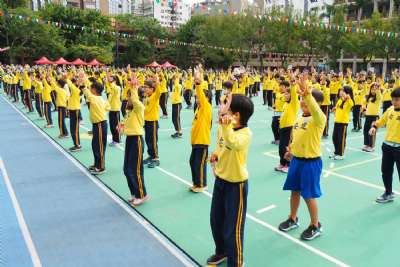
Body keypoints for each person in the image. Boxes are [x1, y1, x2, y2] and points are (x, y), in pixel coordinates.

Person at [207, 94, 254, 267]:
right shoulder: (225, 127)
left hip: (236, 186)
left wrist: (225, 125)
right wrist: (216, 154)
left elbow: (233, 143)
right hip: (220, 181)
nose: (222, 109)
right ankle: (222, 252)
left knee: (232, 229)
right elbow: (222, 145)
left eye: (227, 108)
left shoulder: (245, 134)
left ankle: (235, 262)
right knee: (216, 220)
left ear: (237, 115)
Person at [278, 73, 325, 241]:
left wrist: (307, 94)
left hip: (311, 163)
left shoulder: (319, 119)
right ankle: (293, 218)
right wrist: (291, 152)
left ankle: (315, 225)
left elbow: (315, 110)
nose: (304, 104)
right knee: (295, 191)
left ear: (317, 105)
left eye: (309, 102)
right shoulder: (299, 118)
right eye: (302, 102)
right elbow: (295, 138)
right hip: (297, 161)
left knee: (308, 195)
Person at [119, 85, 149, 206]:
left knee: (135, 170)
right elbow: (125, 120)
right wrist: (121, 125)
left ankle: (142, 195)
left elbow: (136, 101)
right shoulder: (130, 111)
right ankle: (134, 193)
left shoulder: (139, 107)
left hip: (137, 140)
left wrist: (134, 88)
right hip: (130, 140)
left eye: (129, 96)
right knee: (126, 169)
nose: (128, 98)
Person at [370, 88, 400, 203]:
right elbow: (381, 120)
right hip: (387, 146)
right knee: (386, 171)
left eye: (397, 99)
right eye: (393, 99)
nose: (394, 102)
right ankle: (388, 193)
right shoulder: (390, 109)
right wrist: (374, 127)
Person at [190, 66, 212, 193]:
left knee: (199, 163)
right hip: (196, 140)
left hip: (202, 141)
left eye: (198, 97)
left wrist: (198, 83)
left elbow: (201, 95)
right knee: (193, 162)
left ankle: (202, 184)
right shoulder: (199, 109)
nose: (196, 98)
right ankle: (196, 183)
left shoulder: (206, 107)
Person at [82, 77, 110, 174]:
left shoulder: (94, 98)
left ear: (94, 90)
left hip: (100, 124)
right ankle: (96, 164)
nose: (89, 89)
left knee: (100, 146)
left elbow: (86, 92)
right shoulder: (101, 99)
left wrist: (83, 81)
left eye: (91, 88)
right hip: (97, 124)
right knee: (95, 145)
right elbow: (107, 108)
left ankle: (101, 166)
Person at [275, 78, 300, 173]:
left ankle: (289, 165)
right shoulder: (285, 105)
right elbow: (284, 115)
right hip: (282, 128)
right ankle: (282, 163)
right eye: (284, 93)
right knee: (281, 147)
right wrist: (280, 120)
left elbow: (294, 95)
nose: (285, 95)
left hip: (289, 128)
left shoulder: (294, 104)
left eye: (287, 94)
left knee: (287, 147)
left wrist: (293, 85)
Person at [330, 86, 354, 160]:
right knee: (335, 138)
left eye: (343, 91)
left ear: (347, 92)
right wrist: (334, 109)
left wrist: (348, 97)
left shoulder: (349, 101)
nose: (340, 92)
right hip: (337, 121)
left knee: (341, 139)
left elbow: (352, 104)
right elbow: (337, 107)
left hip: (343, 123)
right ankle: (336, 152)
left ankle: (341, 154)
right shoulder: (340, 100)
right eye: (340, 90)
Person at [143, 76, 161, 168]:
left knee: (153, 141)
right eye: (144, 87)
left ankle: (156, 158)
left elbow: (159, 91)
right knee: (148, 140)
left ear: (151, 88)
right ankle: (150, 155)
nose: (144, 89)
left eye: (146, 87)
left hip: (153, 122)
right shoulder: (146, 97)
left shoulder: (154, 96)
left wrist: (156, 82)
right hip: (147, 121)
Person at [362, 83, 381, 152]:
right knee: (365, 130)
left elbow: (378, 94)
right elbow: (363, 103)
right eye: (372, 89)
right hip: (368, 116)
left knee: (372, 131)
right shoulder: (369, 98)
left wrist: (377, 89)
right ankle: (366, 144)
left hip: (374, 117)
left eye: (374, 89)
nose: (373, 91)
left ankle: (371, 146)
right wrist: (364, 109)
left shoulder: (378, 98)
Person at [66, 78, 82, 152]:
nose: (77, 82)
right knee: (73, 129)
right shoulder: (74, 90)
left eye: (78, 82)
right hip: (72, 110)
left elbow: (70, 84)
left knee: (74, 129)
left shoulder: (76, 90)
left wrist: (66, 77)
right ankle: (76, 144)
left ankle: (77, 145)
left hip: (75, 111)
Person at [107, 74, 122, 146]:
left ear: (115, 80)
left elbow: (113, 88)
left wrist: (110, 82)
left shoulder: (117, 87)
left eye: (111, 78)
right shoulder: (111, 86)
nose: (110, 80)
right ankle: (114, 139)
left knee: (116, 125)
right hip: (111, 108)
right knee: (112, 126)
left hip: (116, 109)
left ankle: (118, 140)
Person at [171, 74, 183, 138]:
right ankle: (177, 130)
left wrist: (176, 77)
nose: (173, 80)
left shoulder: (178, 86)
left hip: (177, 104)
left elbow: (177, 82)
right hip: (174, 103)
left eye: (174, 79)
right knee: (174, 119)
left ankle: (179, 132)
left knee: (176, 118)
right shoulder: (174, 86)